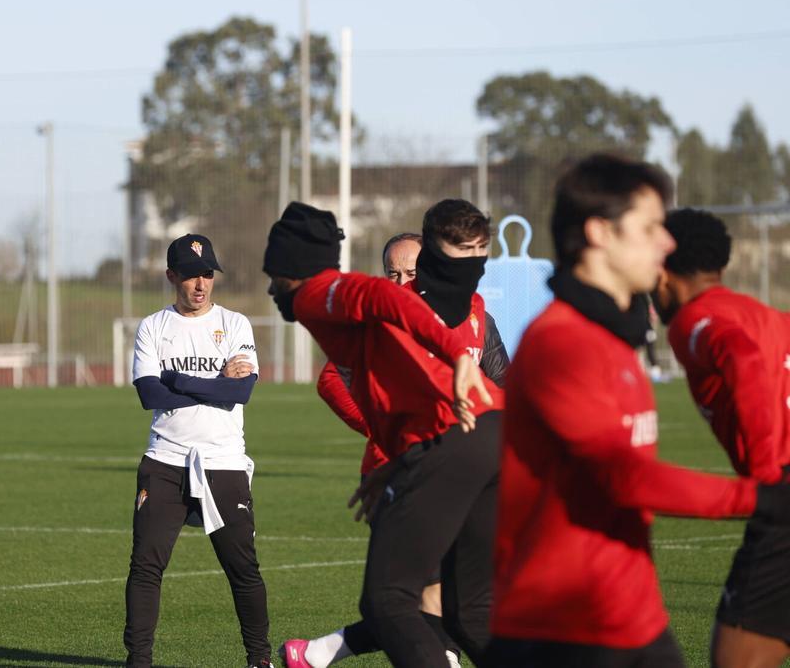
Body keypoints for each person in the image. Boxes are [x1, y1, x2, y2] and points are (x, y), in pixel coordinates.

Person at [488, 153, 790, 667]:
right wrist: (764, 494)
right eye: (651, 227)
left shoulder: (616, 338)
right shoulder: (563, 343)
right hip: (562, 631)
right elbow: (624, 478)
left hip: (632, 618)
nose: (667, 242)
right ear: (600, 233)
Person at [264, 201, 499, 668]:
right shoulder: (339, 313)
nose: (271, 288)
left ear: (293, 268)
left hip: (453, 442)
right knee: (468, 614)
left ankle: (317, 655)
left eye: (274, 273)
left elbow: (384, 297)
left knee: (388, 602)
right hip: (490, 436)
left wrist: (457, 353)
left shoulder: (319, 294)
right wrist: (393, 462)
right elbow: (388, 394)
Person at [123, 234, 271, 668]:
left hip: (223, 462)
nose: (200, 283)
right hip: (165, 461)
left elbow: (241, 390)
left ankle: (259, 660)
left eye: (207, 273)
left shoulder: (236, 323)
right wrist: (213, 387)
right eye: (190, 275)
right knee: (146, 566)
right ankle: (139, 661)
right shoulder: (153, 326)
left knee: (243, 570)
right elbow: (150, 395)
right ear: (172, 276)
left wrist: (178, 380)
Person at [651, 207, 790, 668]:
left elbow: (743, 358)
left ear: (663, 271)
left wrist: (767, 474)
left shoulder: (694, 320)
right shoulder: (768, 315)